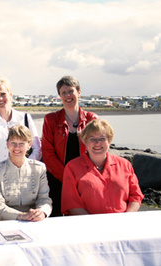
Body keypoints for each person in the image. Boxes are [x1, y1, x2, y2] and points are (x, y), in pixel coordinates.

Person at [41, 76, 98, 216]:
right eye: (63, 92)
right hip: (56, 179)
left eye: (71, 91)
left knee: (82, 217)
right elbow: (47, 153)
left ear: (79, 92)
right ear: (59, 96)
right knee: (55, 218)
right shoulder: (51, 120)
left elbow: (98, 150)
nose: (67, 95)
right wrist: (67, 176)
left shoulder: (91, 119)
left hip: (84, 179)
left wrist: (79, 178)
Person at [61, 119, 144, 215]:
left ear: (109, 141)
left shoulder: (124, 164)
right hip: (88, 225)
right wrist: (96, 225)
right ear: (85, 142)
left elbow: (136, 196)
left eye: (102, 138)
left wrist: (126, 218)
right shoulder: (72, 167)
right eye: (92, 139)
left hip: (123, 224)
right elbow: (71, 203)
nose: (97, 143)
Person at [0, 77, 41, 199]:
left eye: (3, 94)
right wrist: (0, 173)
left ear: (10, 94)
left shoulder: (25, 118)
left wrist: (26, 169)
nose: (0, 99)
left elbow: (37, 147)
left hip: (24, 177)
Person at [0, 124, 52, 221]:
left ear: (29, 145)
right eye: (13, 143)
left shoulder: (39, 169)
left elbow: (44, 199)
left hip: (32, 221)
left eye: (22, 143)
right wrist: (21, 216)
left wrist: (41, 212)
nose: (17, 147)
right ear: (7, 144)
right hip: (4, 222)